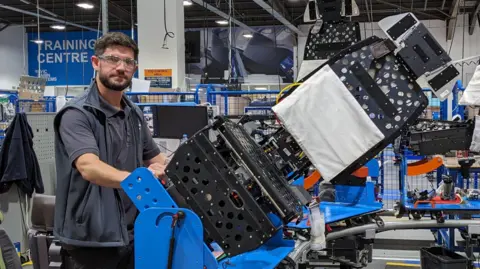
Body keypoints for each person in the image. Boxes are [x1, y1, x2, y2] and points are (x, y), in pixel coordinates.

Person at [53, 32, 167, 269]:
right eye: (113, 59)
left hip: (131, 233)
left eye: (128, 62)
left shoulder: (133, 113)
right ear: (96, 63)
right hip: (91, 240)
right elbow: (89, 168)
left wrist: (168, 168)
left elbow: (157, 159)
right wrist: (140, 179)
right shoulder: (77, 114)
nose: (121, 67)